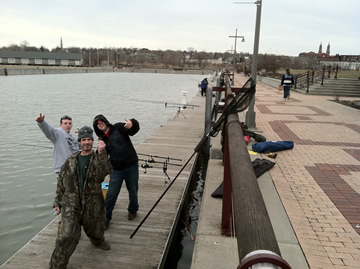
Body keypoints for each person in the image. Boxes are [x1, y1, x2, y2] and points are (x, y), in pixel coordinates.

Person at [49, 126, 113, 269]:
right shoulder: (70, 161)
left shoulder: (98, 158)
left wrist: (102, 153)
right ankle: (56, 266)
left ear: (92, 141)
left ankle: (97, 241)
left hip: (93, 203)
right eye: (83, 140)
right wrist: (57, 202)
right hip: (71, 204)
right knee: (66, 237)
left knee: (96, 229)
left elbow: (104, 173)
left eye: (89, 139)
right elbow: (61, 183)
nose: (86, 142)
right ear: (79, 142)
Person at [93, 114, 140, 227]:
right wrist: (100, 151)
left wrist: (132, 123)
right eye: (97, 123)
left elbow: (133, 130)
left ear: (105, 121)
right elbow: (101, 160)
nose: (100, 124)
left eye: (101, 121)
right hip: (116, 170)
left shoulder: (119, 127)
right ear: (96, 127)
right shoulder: (102, 140)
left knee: (133, 189)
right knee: (111, 194)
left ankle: (133, 210)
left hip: (131, 165)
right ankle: (105, 218)